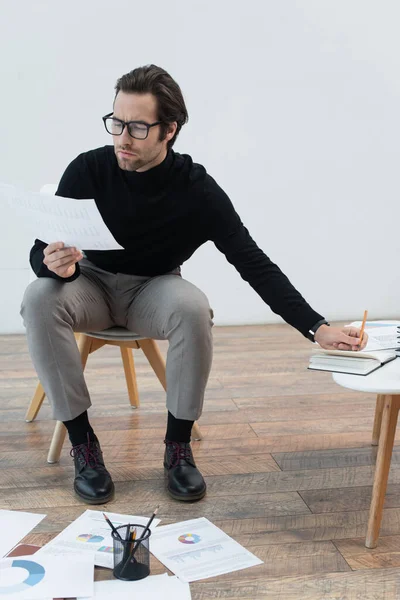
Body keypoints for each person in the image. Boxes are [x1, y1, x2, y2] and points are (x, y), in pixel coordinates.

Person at [20, 64, 367, 505]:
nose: (122, 138)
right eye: (116, 122)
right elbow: (39, 250)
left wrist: (316, 327)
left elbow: (252, 261)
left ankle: (178, 448)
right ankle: (84, 443)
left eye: (138, 127)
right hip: (90, 285)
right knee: (37, 296)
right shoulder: (88, 169)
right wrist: (55, 266)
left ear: (170, 129)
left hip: (154, 289)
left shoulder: (196, 189)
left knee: (193, 307)